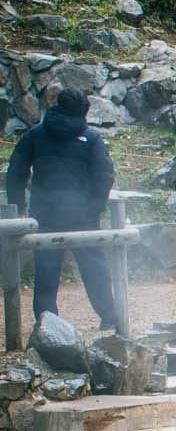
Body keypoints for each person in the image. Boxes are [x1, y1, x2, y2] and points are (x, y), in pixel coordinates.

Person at [4, 86, 118, 328]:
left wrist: (18, 207)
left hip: (44, 214)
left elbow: (16, 171)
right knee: (94, 269)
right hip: (83, 216)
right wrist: (95, 207)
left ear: (57, 105)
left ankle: (46, 325)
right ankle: (110, 318)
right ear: (83, 109)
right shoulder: (91, 138)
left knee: (46, 272)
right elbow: (105, 175)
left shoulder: (36, 134)